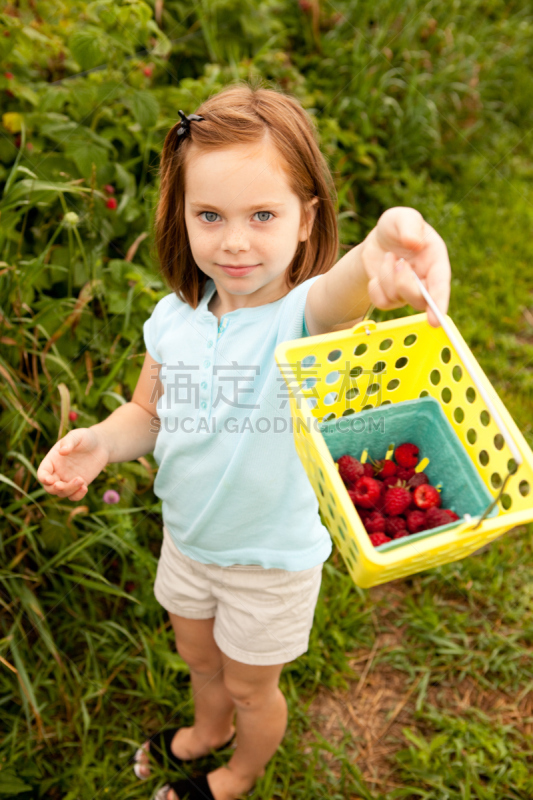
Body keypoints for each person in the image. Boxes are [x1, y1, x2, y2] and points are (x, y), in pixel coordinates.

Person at [37, 81, 451, 800]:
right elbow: (149, 413)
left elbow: (342, 286)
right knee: (198, 659)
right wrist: (102, 441)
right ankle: (206, 729)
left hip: (269, 562)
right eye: (210, 214)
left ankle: (237, 772)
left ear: (303, 220)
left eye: (262, 214)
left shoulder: (300, 316)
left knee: (252, 686)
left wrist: (383, 243)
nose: (233, 240)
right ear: (182, 215)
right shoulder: (174, 318)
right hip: (190, 540)